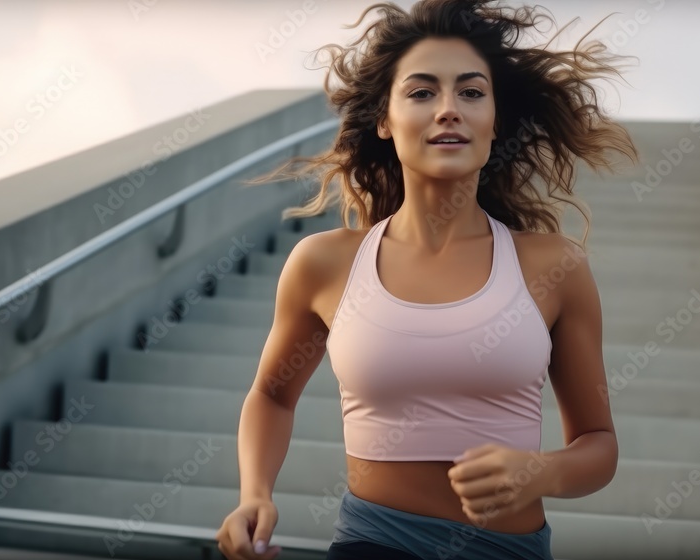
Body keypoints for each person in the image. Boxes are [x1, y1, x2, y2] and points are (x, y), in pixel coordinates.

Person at [216, 1, 637, 558]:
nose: (448, 110)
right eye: (421, 92)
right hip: (373, 543)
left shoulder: (554, 267)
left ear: (496, 120)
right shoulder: (323, 263)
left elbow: (599, 445)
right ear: (385, 121)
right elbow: (271, 395)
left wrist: (542, 471)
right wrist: (254, 494)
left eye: (470, 92)